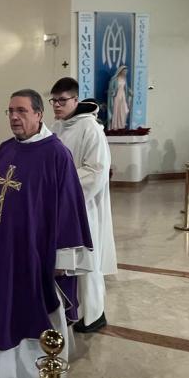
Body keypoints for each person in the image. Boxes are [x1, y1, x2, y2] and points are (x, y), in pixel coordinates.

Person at [0, 90, 93, 378]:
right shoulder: (6, 149)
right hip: (1, 249)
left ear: (39, 114)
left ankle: (29, 372)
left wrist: (63, 259)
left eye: (22, 111)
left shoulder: (56, 154)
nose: (14, 117)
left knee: (31, 309)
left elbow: (69, 207)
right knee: (1, 303)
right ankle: (5, 359)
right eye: (10, 111)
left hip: (34, 253)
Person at [49, 78, 117, 333]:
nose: (57, 105)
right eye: (54, 101)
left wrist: (61, 185)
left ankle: (94, 315)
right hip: (60, 206)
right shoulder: (56, 127)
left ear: (75, 100)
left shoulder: (91, 128)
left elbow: (96, 171)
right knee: (68, 261)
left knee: (87, 260)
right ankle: (72, 310)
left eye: (62, 100)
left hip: (83, 206)